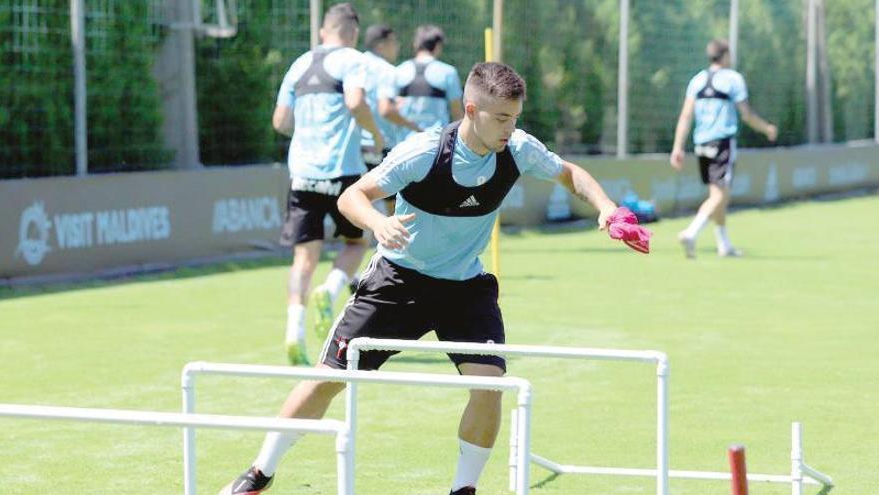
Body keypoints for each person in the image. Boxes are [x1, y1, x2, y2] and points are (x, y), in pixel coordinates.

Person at [218, 62, 618, 495]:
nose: (510, 128)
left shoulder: (519, 148)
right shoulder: (423, 152)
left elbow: (569, 173)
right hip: (397, 280)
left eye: (515, 117)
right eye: (501, 118)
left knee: (490, 387)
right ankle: (260, 472)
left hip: (465, 287)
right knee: (329, 377)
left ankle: (464, 488)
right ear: (470, 109)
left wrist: (606, 206)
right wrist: (377, 222)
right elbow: (354, 196)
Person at [272, 3, 382, 366]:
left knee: (303, 258)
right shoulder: (353, 59)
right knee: (357, 241)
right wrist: (374, 133)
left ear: (324, 31)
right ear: (351, 33)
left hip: (302, 172)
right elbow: (355, 102)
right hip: (342, 172)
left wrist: (305, 130)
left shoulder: (299, 64)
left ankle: (294, 333)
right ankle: (331, 288)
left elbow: (280, 120)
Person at [670, 38, 777, 258]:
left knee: (718, 194)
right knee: (719, 195)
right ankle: (692, 232)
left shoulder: (697, 81)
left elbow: (685, 115)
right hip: (721, 143)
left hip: (701, 144)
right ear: (726, 56)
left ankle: (723, 244)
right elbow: (746, 114)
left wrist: (677, 147)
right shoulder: (733, 80)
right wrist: (766, 128)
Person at [360, 24, 420, 213]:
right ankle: (395, 242)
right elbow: (385, 110)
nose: (398, 46)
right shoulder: (386, 70)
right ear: (381, 46)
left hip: (353, 145)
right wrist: (413, 126)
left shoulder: (356, 63)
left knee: (355, 200)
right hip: (378, 144)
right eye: (394, 42)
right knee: (394, 204)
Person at [395, 24, 464, 141]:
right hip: (436, 144)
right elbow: (457, 114)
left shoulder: (399, 71)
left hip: (404, 144)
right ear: (438, 46)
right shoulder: (448, 72)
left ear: (416, 45)